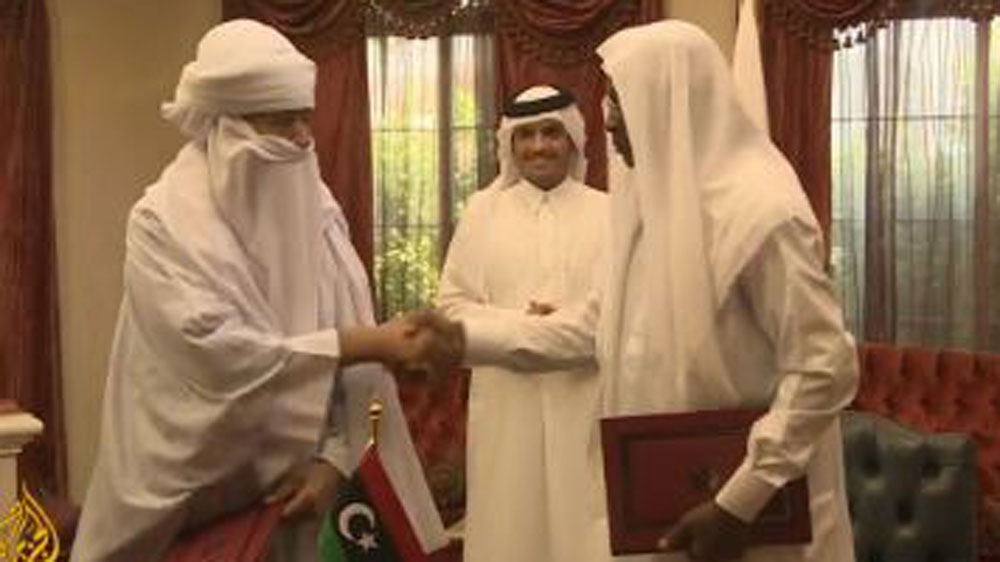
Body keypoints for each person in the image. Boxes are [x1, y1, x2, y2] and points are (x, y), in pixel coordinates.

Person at [453, 20, 859, 562]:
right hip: (664, 503)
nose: (609, 121)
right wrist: (456, 340)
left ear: (672, 102)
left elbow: (824, 367)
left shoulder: (761, 213)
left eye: (621, 101)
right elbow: (591, 328)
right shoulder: (650, 207)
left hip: (754, 521)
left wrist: (739, 500)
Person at [71, 20, 447, 562]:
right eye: (280, 121)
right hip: (188, 508)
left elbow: (349, 350)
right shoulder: (163, 223)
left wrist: (333, 459)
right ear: (227, 125)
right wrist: (369, 343)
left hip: (307, 493)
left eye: (304, 117)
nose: (302, 138)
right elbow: (218, 359)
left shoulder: (316, 207)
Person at [436, 85, 609, 562]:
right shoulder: (482, 212)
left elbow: (624, 309)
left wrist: (567, 324)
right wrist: (522, 324)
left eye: (551, 133)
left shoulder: (608, 211)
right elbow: (450, 309)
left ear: (572, 139)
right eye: (526, 135)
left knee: (585, 528)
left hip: (585, 400)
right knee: (511, 528)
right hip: (506, 400)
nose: (539, 146)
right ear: (509, 145)